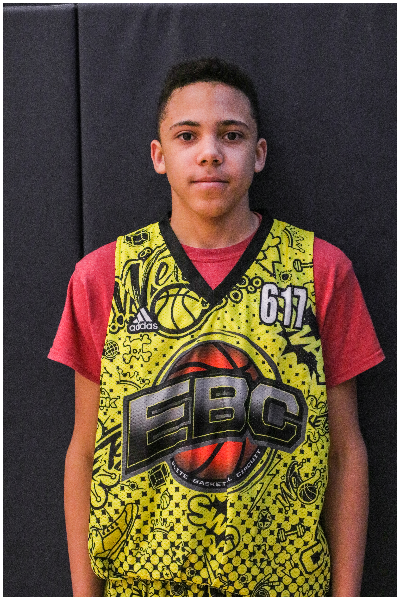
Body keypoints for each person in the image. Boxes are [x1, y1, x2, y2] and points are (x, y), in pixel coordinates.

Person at [49, 57, 385, 597]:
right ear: (159, 155)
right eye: (187, 135)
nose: (210, 152)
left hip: (282, 582)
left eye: (231, 135)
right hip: (142, 582)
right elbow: (85, 452)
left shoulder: (321, 270)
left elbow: (346, 452)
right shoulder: (102, 276)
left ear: (259, 153)